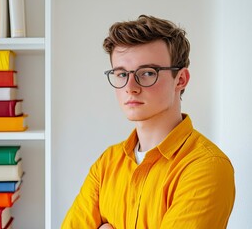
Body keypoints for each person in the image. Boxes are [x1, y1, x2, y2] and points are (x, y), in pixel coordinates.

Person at [61, 15, 235, 229]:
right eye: (121, 74)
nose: (130, 87)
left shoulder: (206, 167)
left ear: (180, 80)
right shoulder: (106, 164)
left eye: (147, 73)